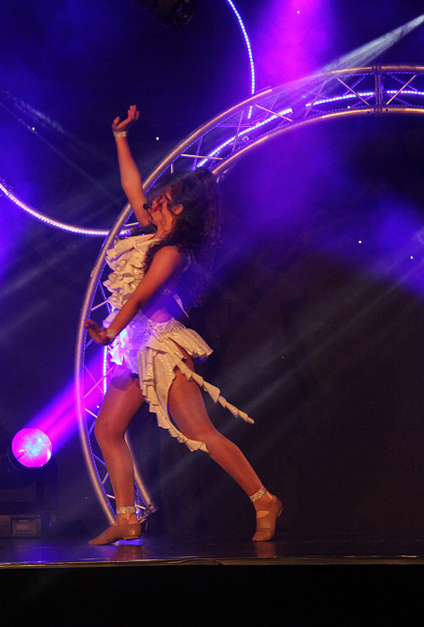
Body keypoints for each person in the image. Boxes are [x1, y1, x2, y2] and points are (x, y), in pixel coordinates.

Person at [83, 105, 281, 545]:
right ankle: (127, 517)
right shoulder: (151, 232)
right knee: (108, 429)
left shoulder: (172, 252)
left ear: (177, 207)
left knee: (200, 433)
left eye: (162, 198)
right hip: (136, 349)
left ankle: (264, 499)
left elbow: (139, 297)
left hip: (162, 348)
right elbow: (131, 187)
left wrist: (110, 333)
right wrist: (120, 138)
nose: (152, 200)